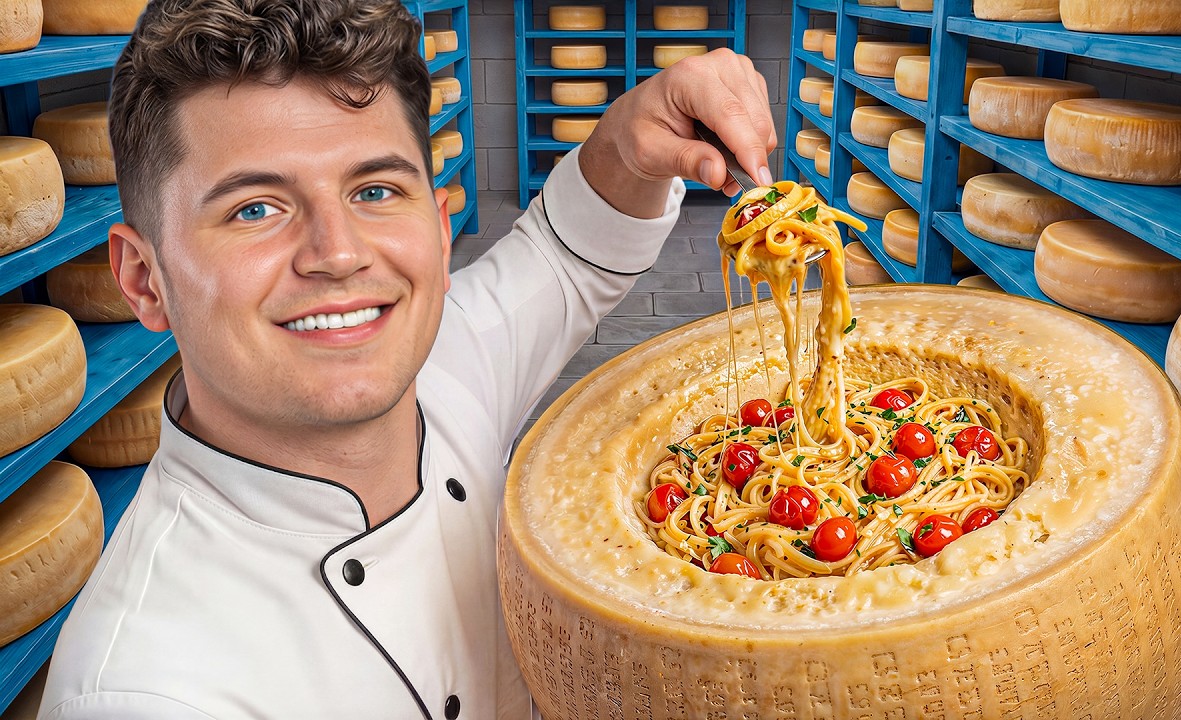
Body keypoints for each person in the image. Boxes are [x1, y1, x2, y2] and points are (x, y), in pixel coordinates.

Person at [37, 0, 776, 718]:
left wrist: (628, 136)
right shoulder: (145, 689)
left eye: (376, 189)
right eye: (255, 208)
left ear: (440, 228)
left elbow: (563, 256)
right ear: (144, 280)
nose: (339, 253)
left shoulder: (447, 360)